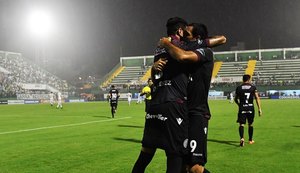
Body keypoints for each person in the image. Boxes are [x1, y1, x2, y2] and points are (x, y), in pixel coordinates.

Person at [158, 23, 226, 173]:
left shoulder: (205, 52)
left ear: (197, 38)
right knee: (182, 166)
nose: (183, 36)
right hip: (181, 113)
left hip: (197, 113)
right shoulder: (183, 51)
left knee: (195, 168)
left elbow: (182, 56)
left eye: (187, 34)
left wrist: (166, 43)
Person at [132, 17, 191, 173]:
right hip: (174, 105)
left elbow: (156, 76)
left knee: (144, 156)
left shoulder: (158, 48)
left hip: (155, 106)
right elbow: (183, 56)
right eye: (186, 31)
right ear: (180, 30)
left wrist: (152, 68)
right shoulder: (181, 46)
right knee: (175, 156)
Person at [234, 74, 262, 147]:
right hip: (250, 107)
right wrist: (259, 109)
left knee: (241, 124)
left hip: (242, 107)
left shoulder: (239, 88)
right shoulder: (253, 87)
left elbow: (235, 99)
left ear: (243, 80)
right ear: (249, 80)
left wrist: (239, 104)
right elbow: (257, 98)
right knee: (250, 124)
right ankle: (250, 140)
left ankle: (242, 139)